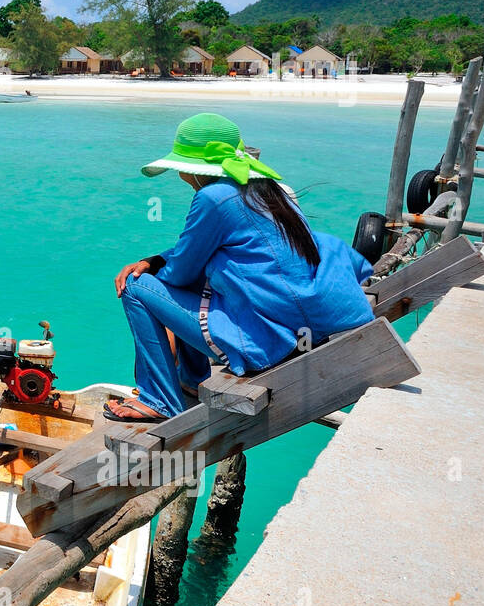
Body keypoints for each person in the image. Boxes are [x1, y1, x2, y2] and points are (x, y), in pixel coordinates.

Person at [106, 112, 375, 422]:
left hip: (265, 343)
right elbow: (198, 253)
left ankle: (158, 400)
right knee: (180, 277)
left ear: (190, 167)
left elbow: (181, 271)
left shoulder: (212, 197)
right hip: (295, 333)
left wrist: (151, 268)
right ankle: (191, 382)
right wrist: (158, 261)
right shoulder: (269, 187)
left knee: (135, 285)